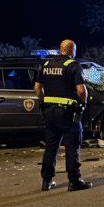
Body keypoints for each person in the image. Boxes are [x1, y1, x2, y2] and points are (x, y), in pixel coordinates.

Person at [34, 39, 93, 192]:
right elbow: (81, 90)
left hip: (49, 112)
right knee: (72, 147)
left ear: (60, 50)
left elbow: (37, 88)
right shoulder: (73, 66)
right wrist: (83, 105)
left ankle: (47, 181)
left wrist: (43, 102)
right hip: (68, 114)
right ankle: (74, 181)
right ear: (72, 51)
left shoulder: (46, 65)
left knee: (51, 147)